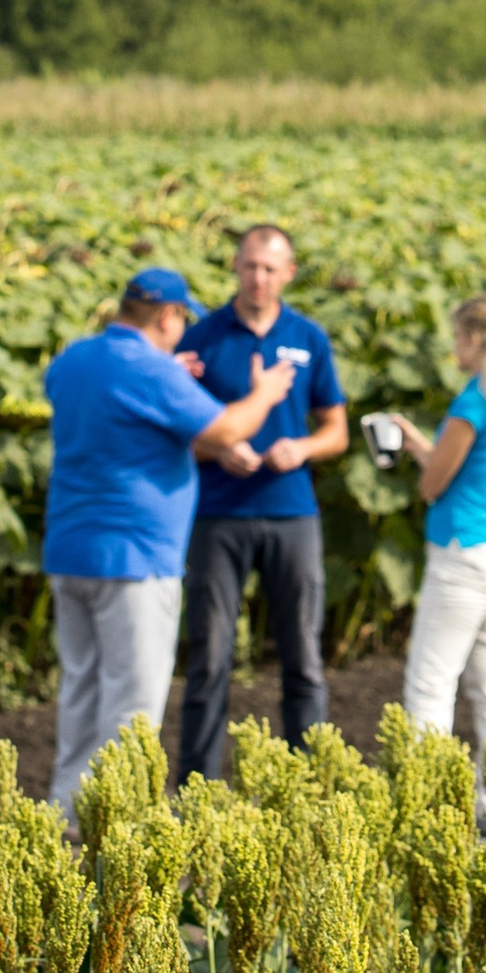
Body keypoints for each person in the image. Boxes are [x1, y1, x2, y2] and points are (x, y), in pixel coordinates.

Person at [42, 266, 294, 816]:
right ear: (166, 316)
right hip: (135, 556)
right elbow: (228, 430)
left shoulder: (74, 362)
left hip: (70, 549)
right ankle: (120, 825)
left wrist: (167, 376)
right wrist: (266, 393)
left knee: (81, 689)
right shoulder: (150, 370)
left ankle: (66, 814)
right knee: (133, 701)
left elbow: (114, 414)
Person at [175, 222, 349, 780]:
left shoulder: (308, 338)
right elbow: (177, 429)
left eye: (270, 268)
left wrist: (300, 448)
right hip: (217, 514)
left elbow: (336, 430)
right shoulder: (202, 337)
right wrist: (217, 447)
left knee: (302, 653)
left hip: (291, 512)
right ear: (236, 266)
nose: (258, 277)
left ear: (288, 274)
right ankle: (197, 784)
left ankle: (306, 780)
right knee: (210, 657)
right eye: (250, 265)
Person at [383, 291, 486, 776]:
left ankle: (425, 804)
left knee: (430, 684)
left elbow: (434, 485)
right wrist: (416, 443)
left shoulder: (471, 401)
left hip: (464, 556)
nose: (455, 347)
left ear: (474, 339)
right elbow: (465, 469)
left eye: (458, 337)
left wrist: (415, 459)